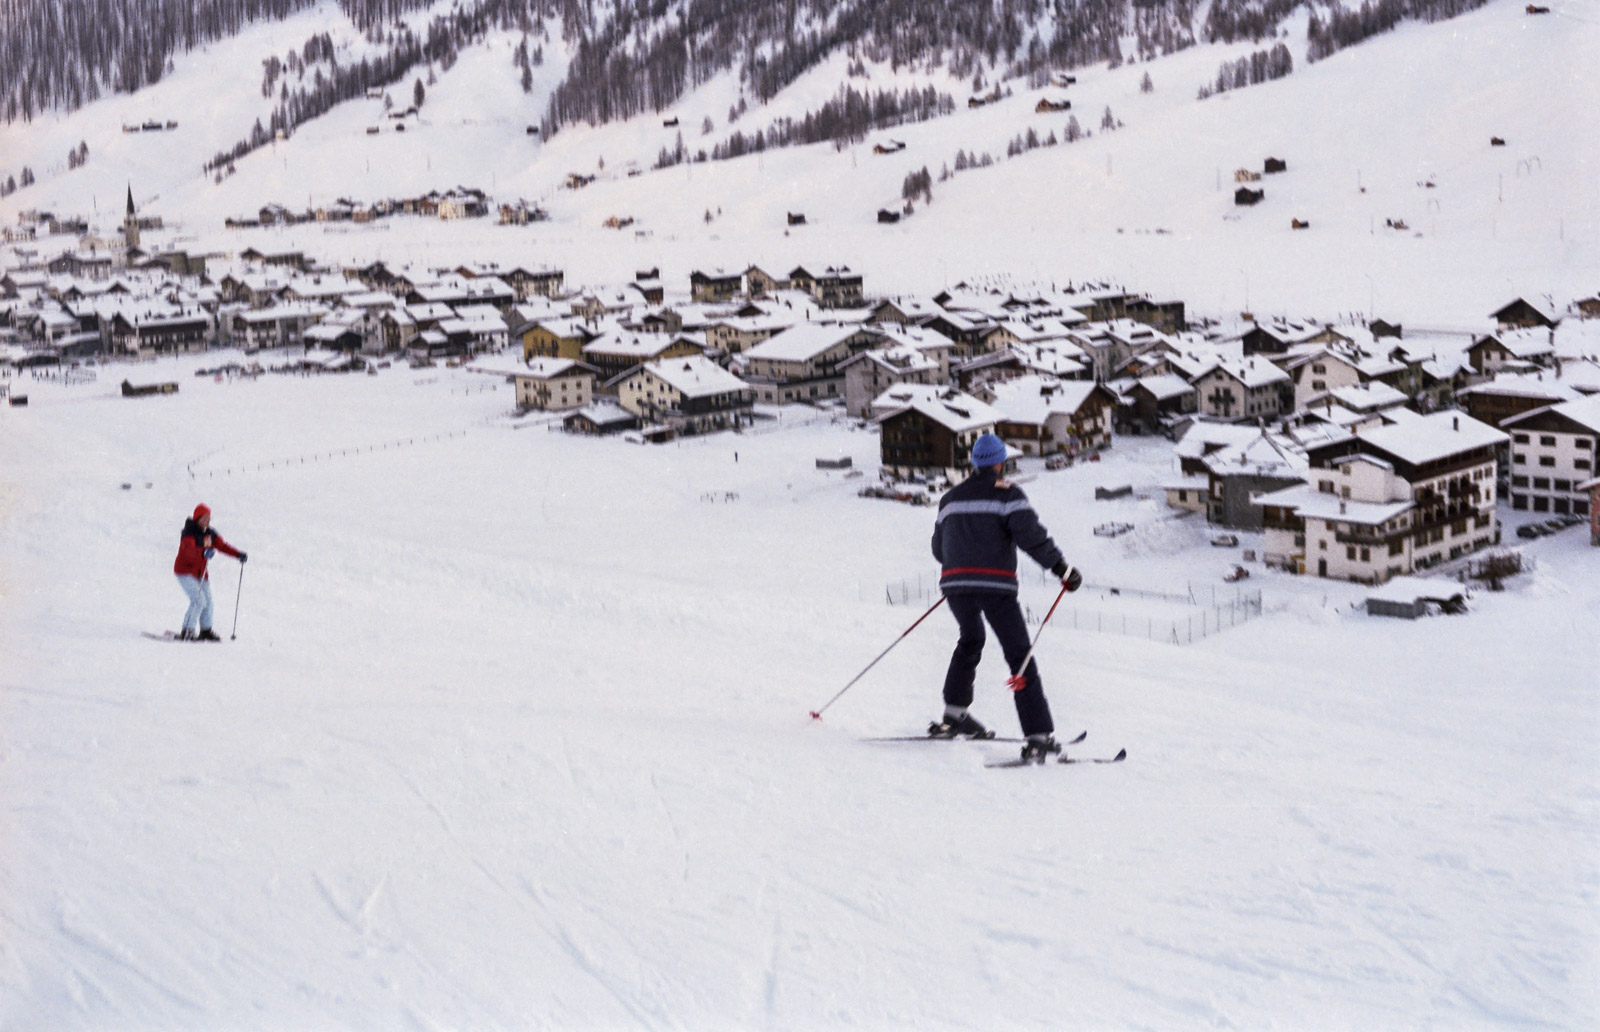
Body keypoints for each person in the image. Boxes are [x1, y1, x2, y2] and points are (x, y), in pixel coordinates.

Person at [929, 433, 1083, 761]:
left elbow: (937, 549)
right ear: (1000, 462)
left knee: (970, 639)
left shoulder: (949, 499)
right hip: (996, 587)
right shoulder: (1008, 494)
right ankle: (1039, 735)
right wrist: (1062, 569)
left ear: (974, 463)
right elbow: (1031, 537)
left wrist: (962, 568)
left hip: (956, 586)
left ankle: (955, 714)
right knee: (1019, 655)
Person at [173, 503, 247, 641]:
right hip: (185, 571)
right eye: (204, 518)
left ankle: (206, 630)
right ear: (197, 518)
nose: (207, 521)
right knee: (199, 600)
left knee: (209, 602)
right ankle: (187, 631)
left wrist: (238, 554)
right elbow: (188, 552)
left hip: (201, 573)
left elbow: (222, 546)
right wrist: (203, 552)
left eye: (208, 518)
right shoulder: (188, 533)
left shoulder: (210, 533)